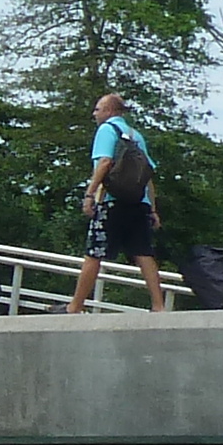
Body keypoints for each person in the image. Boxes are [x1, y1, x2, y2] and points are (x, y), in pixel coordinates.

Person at [66, 91, 166, 312]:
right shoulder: (137, 136)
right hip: (138, 204)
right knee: (144, 253)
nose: (94, 113)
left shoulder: (107, 130)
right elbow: (148, 175)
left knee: (94, 253)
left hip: (112, 202)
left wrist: (90, 195)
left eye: (98, 109)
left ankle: (74, 306)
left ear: (110, 111)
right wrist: (152, 209)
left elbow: (104, 162)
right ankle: (159, 306)